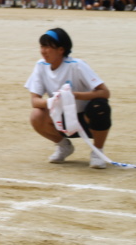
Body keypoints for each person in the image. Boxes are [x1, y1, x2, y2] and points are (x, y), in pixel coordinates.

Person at [25, 28, 111, 169]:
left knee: (100, 107)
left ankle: (97, 151)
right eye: (42, 46)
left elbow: (105, 92)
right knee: (36, 115)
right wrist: (53, 101)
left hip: (86, 120)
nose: (43, 51)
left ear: (61, 50)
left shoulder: (77, 66)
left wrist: (76, 95)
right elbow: (35, 101)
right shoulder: (40, 66)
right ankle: (64, 146)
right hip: (61, 120)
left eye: (48, 47)